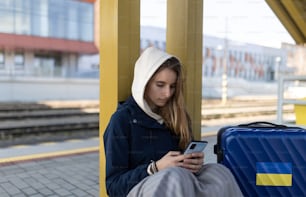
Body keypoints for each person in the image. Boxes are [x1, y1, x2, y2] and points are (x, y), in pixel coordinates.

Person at [103, 47, 243, 197]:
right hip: (144, 188)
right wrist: (155, 168)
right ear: (144, 82)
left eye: (173, 86)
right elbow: (113, 187)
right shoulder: (122, 120)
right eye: (160, 85)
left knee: (218, 172)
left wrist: (192, 163)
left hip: (178, 183)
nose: (167, 93)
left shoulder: (178, 116)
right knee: (174, 177)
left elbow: (182, 165)